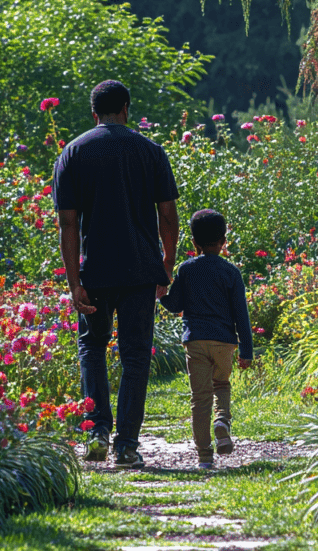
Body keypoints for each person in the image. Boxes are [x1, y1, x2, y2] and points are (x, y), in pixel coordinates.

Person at [53, 80, 180, 469]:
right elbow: (168, 215)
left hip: (95, 271)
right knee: (136, 354)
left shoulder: (73, 152)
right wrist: (167, 263)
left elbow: (68, 224)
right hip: (140, 270)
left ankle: (96, 433)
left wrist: (75, 283)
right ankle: (126, 445)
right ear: (126, 108)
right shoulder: (150, 151)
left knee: (92, 347)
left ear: (94, 113)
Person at [158, 209, 253, 470]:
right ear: (223, 241)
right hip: (224, 341)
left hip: (196, 340)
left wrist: (161, 295)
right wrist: (246, 351)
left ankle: (204, 457)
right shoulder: (231, 272)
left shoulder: (187, 269)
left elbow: (175, 304)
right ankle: (221, 421)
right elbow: (241, 315)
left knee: (200, 398)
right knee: (221, 384)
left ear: (194, 242)